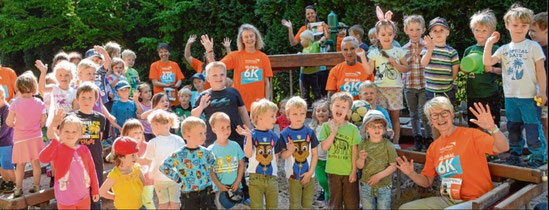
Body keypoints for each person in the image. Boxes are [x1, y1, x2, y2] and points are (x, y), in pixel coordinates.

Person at [396, 96, 510, 209]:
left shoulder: (471, 135)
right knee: (406, 208)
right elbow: (427, 181)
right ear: (430, 121)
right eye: (435, 115)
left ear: (451, 114)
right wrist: (411, 173)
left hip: (477, 199)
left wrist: (492, 128)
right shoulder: (434, 148)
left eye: (444, 113)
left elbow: (503, 147)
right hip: (449, 199)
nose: (440, 119)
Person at [483, 4, 547, 167]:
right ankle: (515, 154)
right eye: (515, 25)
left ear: (528, 26)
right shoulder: (504, 49)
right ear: (507, 25)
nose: (519, 29)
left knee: (533, 128)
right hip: (511, 97)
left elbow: (540, 71)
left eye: (524, 25)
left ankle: (538, 156)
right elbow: (488, 62)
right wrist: (489, 42)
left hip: (530, 97)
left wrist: (543, 92)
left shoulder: (533, 46)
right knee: (513, 128)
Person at [362, 6, 409, 146]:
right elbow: (369, 71)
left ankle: (395, 142)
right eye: (383, 34)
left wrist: (396, 65)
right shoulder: (374, 52)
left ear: (394, 34)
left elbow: (406, 68)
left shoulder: (398, 51)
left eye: (389, 34)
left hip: (395, 88)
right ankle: (380, 141)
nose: (386, 37)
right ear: (377, 36)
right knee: (380, 116)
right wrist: (362, 58)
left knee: (394, 117)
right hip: (379, 89)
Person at [236, 99, 290, 209]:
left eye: (275, 116)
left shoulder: (274, 136)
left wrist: (290, 150)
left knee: (272, 206)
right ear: (260, 117)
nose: (275, 119)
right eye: (272, 116)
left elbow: (276, 157)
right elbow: (248, 154)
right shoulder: (251, 134)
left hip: (272, 178)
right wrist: (248, 137)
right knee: (256, 206)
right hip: (255, 178)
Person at [40, 114, 99, 209]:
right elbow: (43, 158)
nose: (70, 134)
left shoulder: (84, 150)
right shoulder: (57, 148)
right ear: (60, 132)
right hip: (65, 199)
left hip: (84, 196)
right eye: (66, 131)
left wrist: (95, 190)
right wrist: (55, 141)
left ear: (80, 134)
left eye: (74, 132)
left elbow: (92, 170)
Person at [160, 117, 216, 209]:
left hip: (206, 194)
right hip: (189, 196)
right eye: (200, 133)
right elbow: (164, 167)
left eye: (204, 133)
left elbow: (214, 165)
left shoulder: (207, 152)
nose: (204, 136)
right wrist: (178, 178)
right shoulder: (178, 154)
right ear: (187, 135)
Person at [191, 62, 252, 147]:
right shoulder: (204, 96)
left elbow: (243, 113)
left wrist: (249, 132)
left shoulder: (234, 92)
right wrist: (201, 107)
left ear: (226, 76)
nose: (219, 78)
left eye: (222, 74)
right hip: (213, 140)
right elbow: (193, 117)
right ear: (208, 78)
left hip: (237, 138)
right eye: (214, 75)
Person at [6, 71, 47, 197]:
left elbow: (8, 122)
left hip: (20, 138)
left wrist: (16, 124)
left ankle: (18, 189)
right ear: (34, 88)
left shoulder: (15, 103)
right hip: (36, 137)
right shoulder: (40, 103)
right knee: (36, 163)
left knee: (20, 164)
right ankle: (36, 186)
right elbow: (43, 121)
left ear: (18, 88)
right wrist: (37, 126)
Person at [319, 92, 360, 209]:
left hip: (348, 172)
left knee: (351, 203)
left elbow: (354, 151)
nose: (340, 109)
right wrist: (333, 132)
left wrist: (353, 171)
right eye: (337, 106)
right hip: (333, 171)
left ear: (348, 111)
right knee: (335, 203)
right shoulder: (326, 127)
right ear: (331, 107)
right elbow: (324, 147)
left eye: (343, 107)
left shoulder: (352, 129)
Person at [217, 24, 273, 109]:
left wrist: (267, 102)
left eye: (251, 36)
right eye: (246, 37)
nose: (249, 39)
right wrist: (209, 51)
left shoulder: (263, 57)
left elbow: (266, 83)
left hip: (258, 105)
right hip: (239, 104)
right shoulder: (235, 56)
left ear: (256, 37)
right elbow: (217, 67)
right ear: (242, 40)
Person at [71, 82, 107, 209]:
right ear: (77, 99)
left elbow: (99, 138)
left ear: (96, 99)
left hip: (95, 160)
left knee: (96, 194)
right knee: (80, 195)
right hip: (77, 163)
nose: (87, 100)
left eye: (90, 97)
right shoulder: (71, 118)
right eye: (83, 97)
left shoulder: (101, 118)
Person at [279, 96, 319, 209]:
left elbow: (315, 154)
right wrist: (290, 151)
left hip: (309, 175)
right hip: (293, 176)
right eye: (295, 114)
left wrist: (310, 172)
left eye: (302, 113)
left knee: (307, 204)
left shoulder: (310, 132)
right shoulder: (284, 134)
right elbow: (283, 155)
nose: (299, 117)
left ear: (306, 114)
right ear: (288, 115)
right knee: (295, 204)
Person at [143, 109, 185, 209]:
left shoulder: (153, 142)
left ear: (157, 125)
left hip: (159, 178)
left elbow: (147, 160)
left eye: (152, 127)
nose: (152, 130)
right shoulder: (178, 140)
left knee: (163, 203)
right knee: (175, 203)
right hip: (175, 178)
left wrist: (135, 159)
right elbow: (183, 159)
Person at [402, 15, 432, 151]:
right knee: (413, 114)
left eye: (417, 29)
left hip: (424, 85)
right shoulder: (403, 49)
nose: (414, 33)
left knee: (424, 113)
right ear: (406, 30)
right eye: (411, 29)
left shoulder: (427, 46)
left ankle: (428, 138)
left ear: (423, 30)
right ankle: (417, 139)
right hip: (409, 86)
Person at [356, 110, 397, 209]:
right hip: (367, 184)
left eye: (380, 126)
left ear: (384, 129)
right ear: (366, 129)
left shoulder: (388, 145)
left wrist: (378, 176)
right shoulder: (363, 144)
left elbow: (393, 165)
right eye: (373, 126)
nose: (377, 129)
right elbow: (359, 166)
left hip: (384, 186)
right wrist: (361, 159)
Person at [207, 112, 245, 209]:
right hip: (220, 190)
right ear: (214, 129)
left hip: (235, 188)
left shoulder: (235, 146)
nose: (226, 130)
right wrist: (219, 185)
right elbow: (210, 170)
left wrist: (237, 182)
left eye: (228, 127)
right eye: (222, 128)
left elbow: (241, 164)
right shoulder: (211, 149)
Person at [421, 17, 460, 104]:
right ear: (430, 34)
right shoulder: (427, 49)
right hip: (431, 91)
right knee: (432, 115)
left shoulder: (452, 52)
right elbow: (423, 63)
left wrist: (449, 83)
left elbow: (455, 72)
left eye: (441, 30)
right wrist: (430, 50)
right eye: (435, 31)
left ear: (447, 32)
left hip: (447, 91)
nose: (438, 33)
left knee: (447, 114)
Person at [100, 137, 145, 209]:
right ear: (121, 157)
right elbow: (102, 191)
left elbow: (143, 182)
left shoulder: (136, 169)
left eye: (136, 154)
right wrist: (114, 197)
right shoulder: (115, 175)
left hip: (140, 206)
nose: (136, 157)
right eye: (132, 155)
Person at [36, 60, 77, 126]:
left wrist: (69, 115)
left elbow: (76, 108)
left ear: (72, 76)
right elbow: (42, 88)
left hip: (68, 123)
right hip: (54, 122)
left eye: (66, 75)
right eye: (60, 75)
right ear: (56, 77)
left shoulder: (74, 92)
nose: (63, 77)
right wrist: (43, 72)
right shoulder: (54, 88)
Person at [529, 12, 548, 146]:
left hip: (545, 94)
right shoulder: (533, 49)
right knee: (541, 123)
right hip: (537, 95)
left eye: (533, 31)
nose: (530, 34)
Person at [310, 99, 330, 203]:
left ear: (329, 112)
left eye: (324, 110)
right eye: (318, 111)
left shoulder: (331, 126)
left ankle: (327, 200)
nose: (321, 113)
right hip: (317, 160)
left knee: (330, 181)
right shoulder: (312, 127)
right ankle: (328, 193)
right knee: (322, 181)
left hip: (330, 159)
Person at [298, 30, 323, 105]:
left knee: (316, 89)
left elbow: (321, 41)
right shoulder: (304, 49)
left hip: (314, 72)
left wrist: (322, 38)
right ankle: (307, 103)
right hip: (304, 72)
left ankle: (317, 103)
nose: (300, 42)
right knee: (305, 89)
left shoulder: (315, 45)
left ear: (307, 40)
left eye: (302, 39)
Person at [0, 88, 15, 194]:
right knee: (1, 165)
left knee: (7, 164)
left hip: (6, 142)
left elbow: (6, 128)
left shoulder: (7, 109)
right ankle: (6, 181)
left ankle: (14, 183)